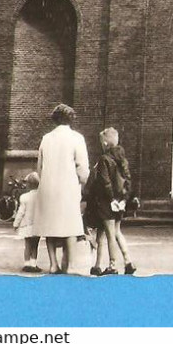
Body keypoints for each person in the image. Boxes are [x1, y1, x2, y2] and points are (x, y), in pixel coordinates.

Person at [32, 104, 89, 274]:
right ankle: (70, 265)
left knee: (50, 224)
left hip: (48, 187)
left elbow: (39, 167)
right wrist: (83, 182)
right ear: (71, 119)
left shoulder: (46, 138)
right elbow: (82, 167)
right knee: (70, 225)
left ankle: (53, 264)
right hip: (68, 187)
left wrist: (45, 181)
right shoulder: (77, 138)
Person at [87, 127, 136, 276]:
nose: (101, 144)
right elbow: (128, 180)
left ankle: (112, 265)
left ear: (106, 143)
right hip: (120, 202)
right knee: (116, 232)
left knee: (107, 234)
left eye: (102, 141)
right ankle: (127, 262)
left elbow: (105, 181)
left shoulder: (104, 159)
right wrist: (123, 200)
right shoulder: (122, 159)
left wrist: (111, 199)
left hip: (106, 202)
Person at [12, 172, 41, 273]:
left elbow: (21, 212)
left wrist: (16, 224)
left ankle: (26, 263)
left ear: (28, 184)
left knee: (27, 245)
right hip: (38, 225)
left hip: (26, 224)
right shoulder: (41, 196)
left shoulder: (24, 197)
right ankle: (34, 264)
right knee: (35, 245)